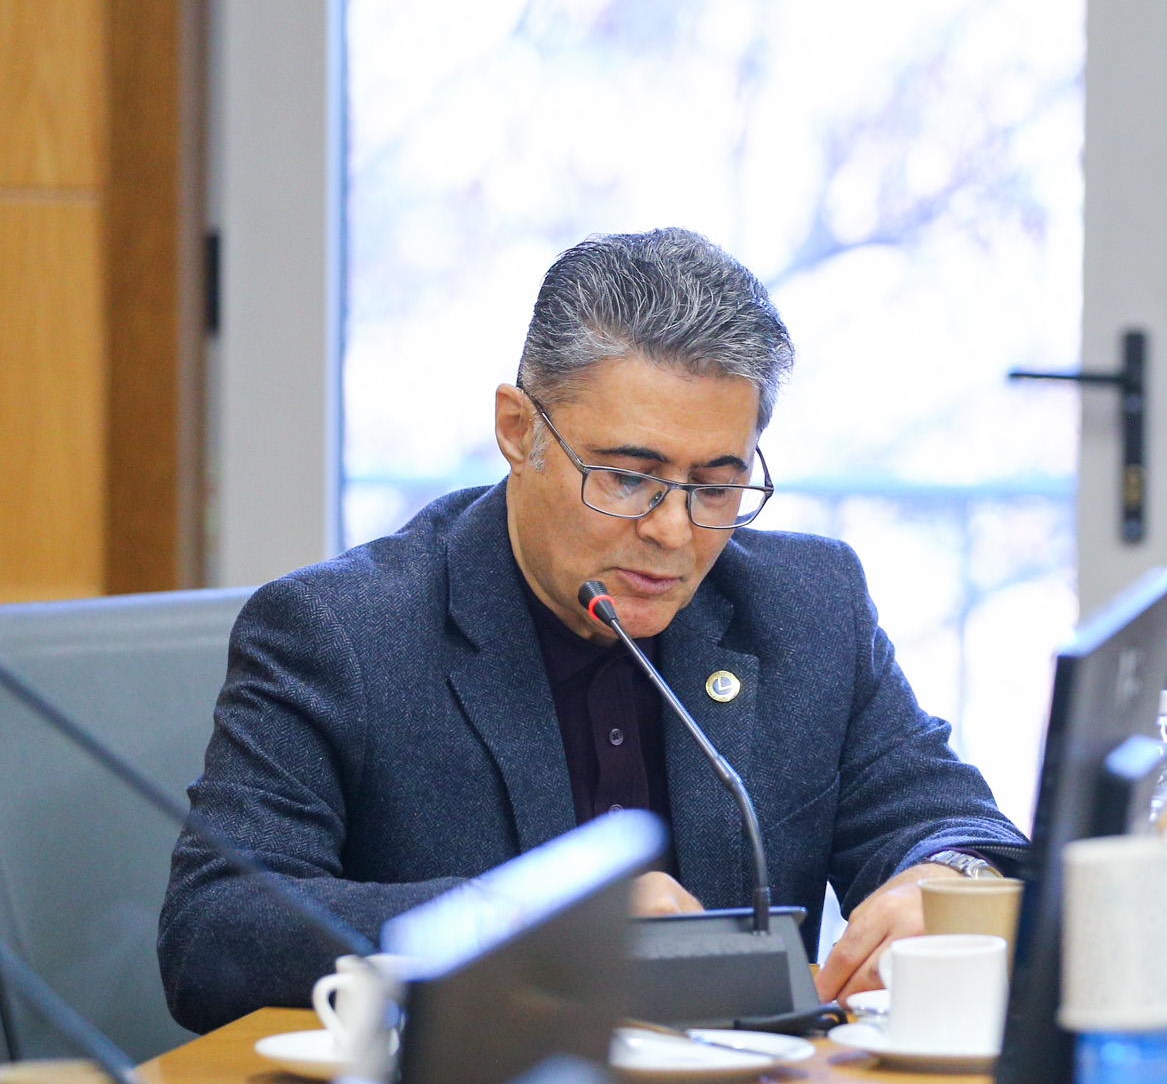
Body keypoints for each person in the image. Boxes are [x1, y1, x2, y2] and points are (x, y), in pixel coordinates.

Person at [159, 229, 1025, 1031]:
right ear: (518, 431)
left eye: (716, 486)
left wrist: (952, 882)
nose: (673, 531)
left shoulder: (809, 606)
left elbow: (955, 826)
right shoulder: (343, 631)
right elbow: (215, 928)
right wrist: (529, 920)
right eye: (627, 477)